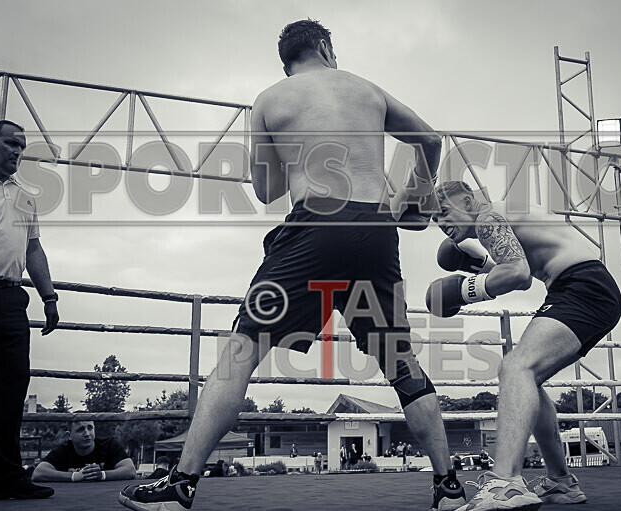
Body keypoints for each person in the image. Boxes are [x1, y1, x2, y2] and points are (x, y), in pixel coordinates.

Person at [119, 19, 465, 511]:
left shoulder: (269, 99)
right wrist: (423, 196)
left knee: (241, 351)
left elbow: (266, 191)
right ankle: (449, 486)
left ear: (287, 61)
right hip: (376, 230)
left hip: (316, 226)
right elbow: (430, 141)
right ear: (325, 47)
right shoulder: (368, 90)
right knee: (401, 364)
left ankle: (181, 484)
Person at [428, 180, 621, 510]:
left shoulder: (487, 218)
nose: (441, 222)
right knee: (527, 378)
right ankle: (561, 482)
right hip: (578, 288)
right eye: (435, 219)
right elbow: (525, 273)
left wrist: (463, 290)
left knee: (516, 367)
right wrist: (477, 268)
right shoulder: (495, 220)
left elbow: (516, 275)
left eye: (444, 211)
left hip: (583, 288)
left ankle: (505, 484)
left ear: (469, 199)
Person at [0, 120, 59, 501]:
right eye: (11, 143)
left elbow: (33, 249)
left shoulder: (24, 195)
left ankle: (4, 479)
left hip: (11, 299)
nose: (18, 151)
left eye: (22, 146)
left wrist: (49, 297)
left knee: (10, 392)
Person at [32, 418, 135, 482]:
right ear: (69, 436)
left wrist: (102, 475)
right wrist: (74, 476)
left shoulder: (109, 445)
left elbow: (130, 470)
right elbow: (38, 473)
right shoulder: (63, 450)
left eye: (90, 428)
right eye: (80, 429)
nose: (87, 434)